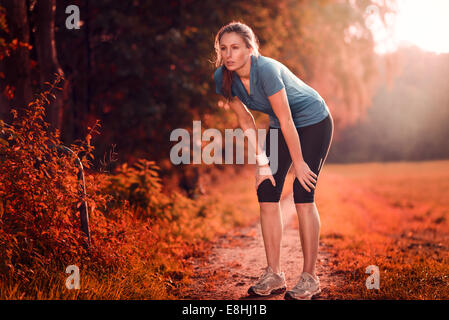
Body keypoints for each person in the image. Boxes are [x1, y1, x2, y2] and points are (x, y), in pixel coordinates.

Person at [212, 21, 333, 300]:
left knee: (304, 193)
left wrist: (299, 163)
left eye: (235, 48)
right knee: (266, 190)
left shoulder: (265, 69)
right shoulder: (222, 77)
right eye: (223, 49)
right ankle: (275, 274)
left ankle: (310, 278)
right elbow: (245, 121)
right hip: (282, 125)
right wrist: (261, 162)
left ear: (250, 48)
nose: (228, 54)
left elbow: (290, 119)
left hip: (313, 121)